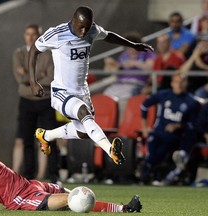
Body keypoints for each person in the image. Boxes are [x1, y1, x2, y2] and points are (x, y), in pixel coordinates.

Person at [28, 6, 154, 166]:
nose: (83, 32)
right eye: (80, 27)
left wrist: (132, 45)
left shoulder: (91, 30)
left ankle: (46, 136)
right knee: (83, 113)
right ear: (73, 21)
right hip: (62, 91)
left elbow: (109, 36)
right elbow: (33, 50)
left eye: (87, 28)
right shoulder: (57, 34)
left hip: (82, 91)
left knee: (83, 132)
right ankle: (111, 150)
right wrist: (33, 81)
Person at [0, 114, 142, 213]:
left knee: (76, 195)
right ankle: (123, 209)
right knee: (76, 199)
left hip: (32, 185)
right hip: (20, 198)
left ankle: (122, 209)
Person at [12, 24, 59, 183]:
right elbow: (20, 79)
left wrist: (30, 78)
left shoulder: (49, 54)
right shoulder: (19, 54)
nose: (30, 37)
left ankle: (50, 174)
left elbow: (51, 78)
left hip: (46, 101)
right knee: (26, 139)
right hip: (26, 101)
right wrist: (39, 76)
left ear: (39, 35)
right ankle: (29, 174)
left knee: (48, 137)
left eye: (34, 34)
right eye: (28, 34)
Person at [140, 73, 200, 185]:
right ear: (172, 83)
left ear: (186, 83)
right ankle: (147, 173)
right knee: (152, 152)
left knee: (163, 150)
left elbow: (193, 125)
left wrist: (178, 125)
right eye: (176, 82)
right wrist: (144, 127)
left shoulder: (191, 101)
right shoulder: (164, 95)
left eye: (182, 82)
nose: (179, 85)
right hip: (158, 132)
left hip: (175, 136)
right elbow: (144, 106)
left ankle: (159, 174)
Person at [103, 31, 156, 99]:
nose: (130, 50)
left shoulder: (146, 53)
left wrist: (135, 63)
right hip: (120, 82)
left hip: (136, 83)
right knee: (106, 94)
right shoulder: (123, 55)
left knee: (123, 96)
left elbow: (150, 67)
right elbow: (118, 70)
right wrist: (113, 64)